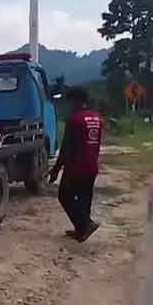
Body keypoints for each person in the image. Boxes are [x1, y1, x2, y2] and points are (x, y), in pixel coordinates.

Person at [48, 87, 102, 243]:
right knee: (85, 199)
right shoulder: (97, 118)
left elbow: (66, 148)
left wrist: (56, 169)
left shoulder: (74, 119)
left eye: (70, 102)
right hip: (91, 166)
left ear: (76, 101)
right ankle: (81, 230)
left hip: (75, 167)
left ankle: (86, 224)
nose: (69, 106)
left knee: (64, 196)